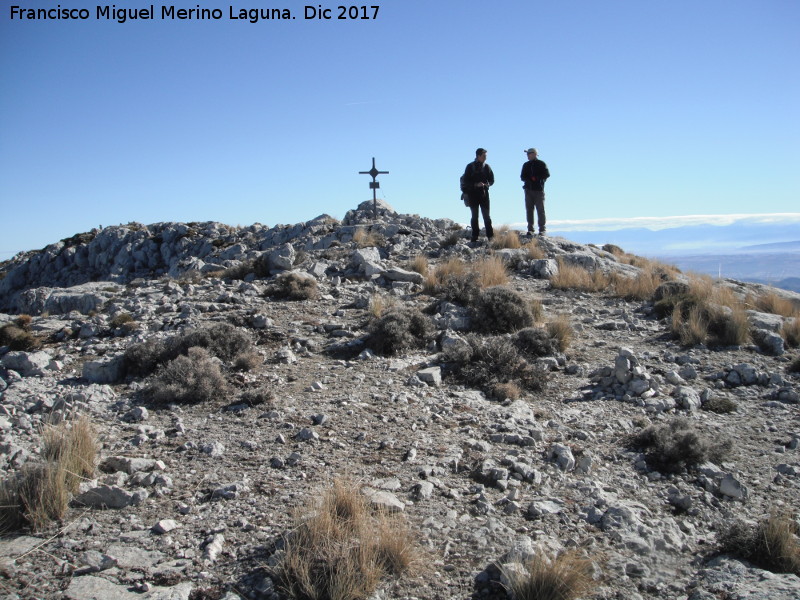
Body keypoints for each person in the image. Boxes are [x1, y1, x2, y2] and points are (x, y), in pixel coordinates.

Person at [463, 148, 494, 243]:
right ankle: (474, 236)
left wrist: (486, 184)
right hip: (473, 195)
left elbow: (492, 180)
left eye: (486, 156)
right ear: (478, 156)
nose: (485, 158)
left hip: (484, 195)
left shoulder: (487, 167)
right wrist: (476, 184)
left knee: (487, 216)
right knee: (474, 216)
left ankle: (490, 236)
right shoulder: (470, 167)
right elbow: (466, 181)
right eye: (484, 156)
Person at [520, 148, 550, 235]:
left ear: (535, 154)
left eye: (529, 153)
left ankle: (542, 229)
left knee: (540, 210)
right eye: (527, 154)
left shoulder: (541, 164)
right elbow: (522, 177)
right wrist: (529, 179)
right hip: (528, 190)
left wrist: (536, 178)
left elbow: (547, 174)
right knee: (529, 209)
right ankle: (530, 229)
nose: (528, 155)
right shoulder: (526, 165)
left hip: (539, 190)